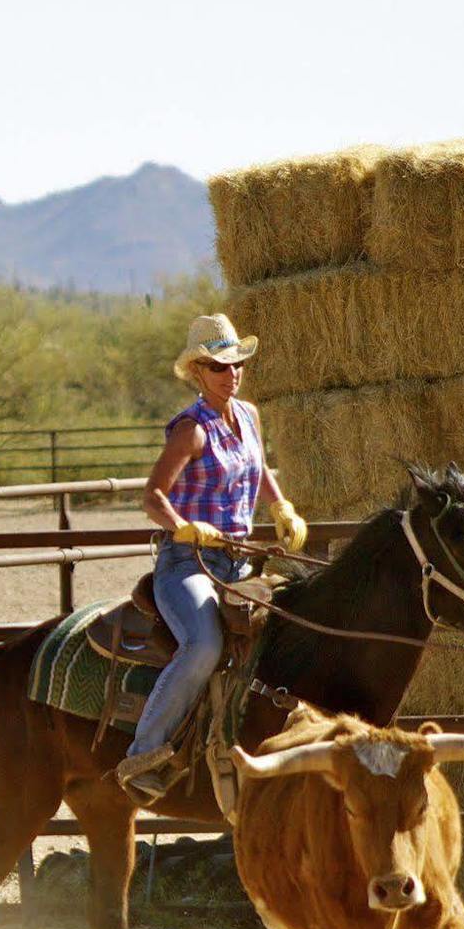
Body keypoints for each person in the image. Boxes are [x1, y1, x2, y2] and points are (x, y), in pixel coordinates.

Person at [113, 314, 309, 804]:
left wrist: (280, 505)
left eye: (237, 363)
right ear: (199, 371)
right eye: (221, 366)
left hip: (240, 562)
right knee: (202, 645)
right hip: (187, 564)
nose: (233, 373)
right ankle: (143, 755)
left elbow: (258, 466)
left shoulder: (248, 415)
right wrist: (182, 525)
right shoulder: (189, 430)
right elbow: (152, 496)